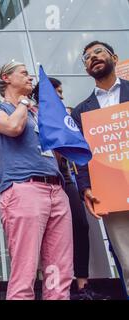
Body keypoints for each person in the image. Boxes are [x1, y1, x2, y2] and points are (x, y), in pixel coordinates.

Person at [0, 61, 73, 300]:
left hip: (56, 189)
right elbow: (13, 128)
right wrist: (24, 102)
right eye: (24, 73)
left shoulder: (37, 113)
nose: (30, 77)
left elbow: (58, 149)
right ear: (6, 78)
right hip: (23, 189)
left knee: (59, 271)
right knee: (25, 270)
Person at [34, 77, 108, 300]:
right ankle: (50, 284)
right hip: (40, 179)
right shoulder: (32, 115)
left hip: (65, 178)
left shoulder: (64, 117)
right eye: (57, 91)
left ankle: (82, 284)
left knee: (80, 225)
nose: (62, 96)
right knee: (45, 234)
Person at [71, 40, 129, 296]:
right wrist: (85, 187)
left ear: (114, 58)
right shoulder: (81, 111)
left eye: (98, 52)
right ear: (86, 69)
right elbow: (82, 157)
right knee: (127, 261)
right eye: (87, 57)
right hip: (111, 194)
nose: (92, 57)